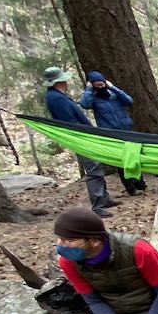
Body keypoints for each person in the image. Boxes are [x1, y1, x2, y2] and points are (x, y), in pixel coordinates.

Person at [43, 67, 113, 217]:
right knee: (93, 168)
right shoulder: (56, 99)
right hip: (80, 138)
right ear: (59, 81)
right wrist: (86, 134)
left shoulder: (57, 96)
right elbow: (70, 122)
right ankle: (98, 204)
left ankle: (104, 199)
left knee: (96, 165)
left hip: (83, 136)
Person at [80, 71, 145, 196]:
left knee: (134, 156)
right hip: (112, 133)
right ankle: (131, 187)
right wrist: (88, 90)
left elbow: (129, 100)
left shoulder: (113, 95)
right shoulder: (93, 98)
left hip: (127, 129)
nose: (101, 87)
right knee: (122, 161)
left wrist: (113, 87)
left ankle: (140, 183)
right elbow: (84, 104)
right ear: (92, 85)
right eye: (97, 85)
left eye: (102, 84)